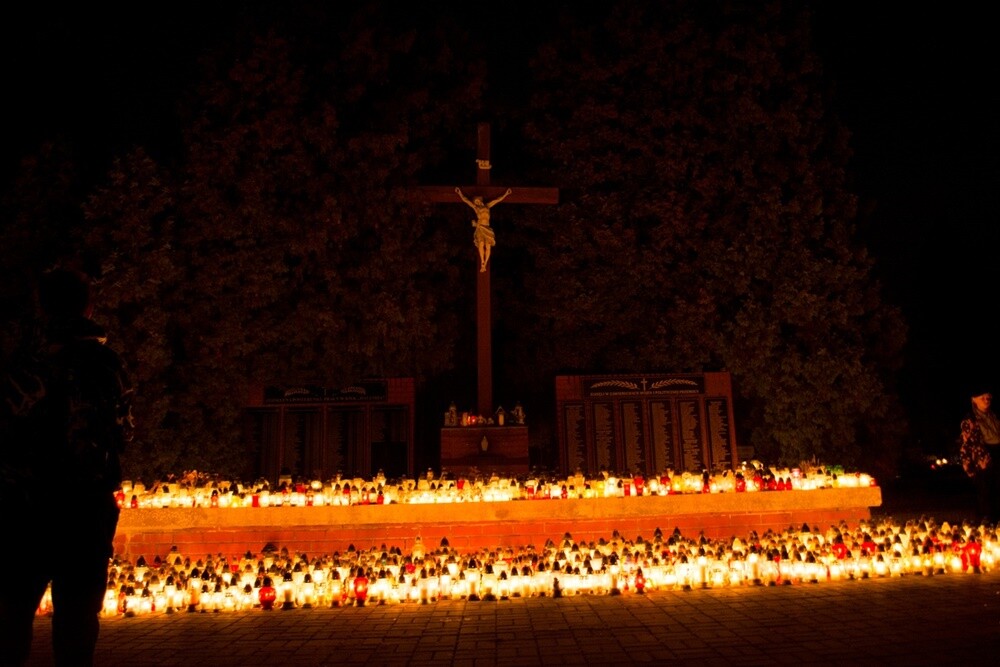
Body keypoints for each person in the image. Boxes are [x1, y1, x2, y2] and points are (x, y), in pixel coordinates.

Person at [0, 268, 134, 667]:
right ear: (89, 307)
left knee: (11, 615)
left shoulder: (29, 361)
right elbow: (124, 431)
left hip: (26, 506)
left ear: (41, 306)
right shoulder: (108, 365)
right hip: (85, 508)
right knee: (77, 619)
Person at [958, 386, 1000, 523]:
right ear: (974, 400)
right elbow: (966, 446)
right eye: (982, 397)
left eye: (988, 397)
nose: (986, 400)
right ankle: (987, 526)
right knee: (986, 497)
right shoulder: (969, 420)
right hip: (982, 464)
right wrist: (969, 469)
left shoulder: (994, 416)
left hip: (997, 457)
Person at [455, 186, 512, 272]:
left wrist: (506, 194)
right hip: (480, 227)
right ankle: (482, 261)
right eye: (475, 202)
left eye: (477, 201)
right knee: (481, 244)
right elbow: (466, 201)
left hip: (487, 228)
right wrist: (459, 193)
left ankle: (485, 263)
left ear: (480, 200)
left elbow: (497, 200)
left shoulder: (487, 206)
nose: (477, 202)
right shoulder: (476, 208)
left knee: (488, 246)